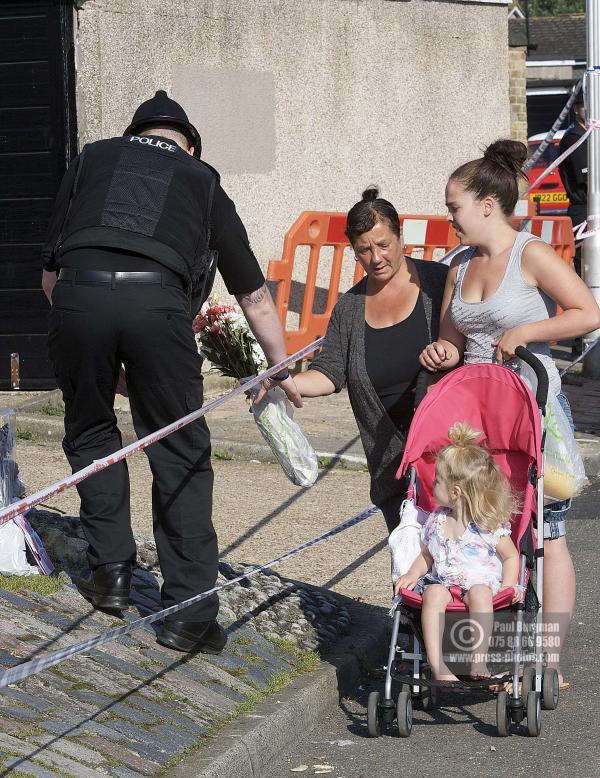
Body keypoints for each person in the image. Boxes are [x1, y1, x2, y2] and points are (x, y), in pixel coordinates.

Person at [40, 90, 301, 654]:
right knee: (178, 448)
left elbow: (49, 277)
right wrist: (278, 365)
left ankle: (110, 573)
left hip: (78, 299)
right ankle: (186, 612)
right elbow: (252, 293)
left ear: (135, 134)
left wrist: (99, 349)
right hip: (159, 306)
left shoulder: (90, 159)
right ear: (186, 144)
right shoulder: (200, 177)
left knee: (90, 432)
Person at [419, 139, 600, 687]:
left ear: (487, 205)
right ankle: (479, 653)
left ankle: (546, 658)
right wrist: (441, 351)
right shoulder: (459, 266)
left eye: (455, 207)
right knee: (484, 532)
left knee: (545, 534)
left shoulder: (532, 254)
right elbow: (453, 337)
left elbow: (588, 313)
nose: (449, 218)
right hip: (475, 418)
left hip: (533, 404)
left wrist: (528, 331)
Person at [258, 187, 448, 533]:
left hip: (449, 456)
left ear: (400, 236)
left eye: (384, 244)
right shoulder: (349, 308)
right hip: (392, 464)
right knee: (408, 568)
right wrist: (284, 379)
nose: (376, 257)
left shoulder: (438, 283)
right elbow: (330, 371)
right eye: (364, 249)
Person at [394, 422, 522, 681]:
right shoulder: (436, 520)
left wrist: (509, 585)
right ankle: (437, 663)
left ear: (455, 492)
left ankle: (478, 660)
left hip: (482, 587)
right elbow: (427, 555)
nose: (433, 484)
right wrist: (412, 573)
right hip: (445, 585)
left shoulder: (487, 526)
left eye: (437, 481)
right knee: (431, 593)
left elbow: (510, 556)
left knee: (480, 593)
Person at [559, 93, 588, 356]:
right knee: (586, 274)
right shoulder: (574, 138)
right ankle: (582, 343)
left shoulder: (590, 135)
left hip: (593, 208)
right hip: (583, 210)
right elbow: (585, 177)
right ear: (577, 108)